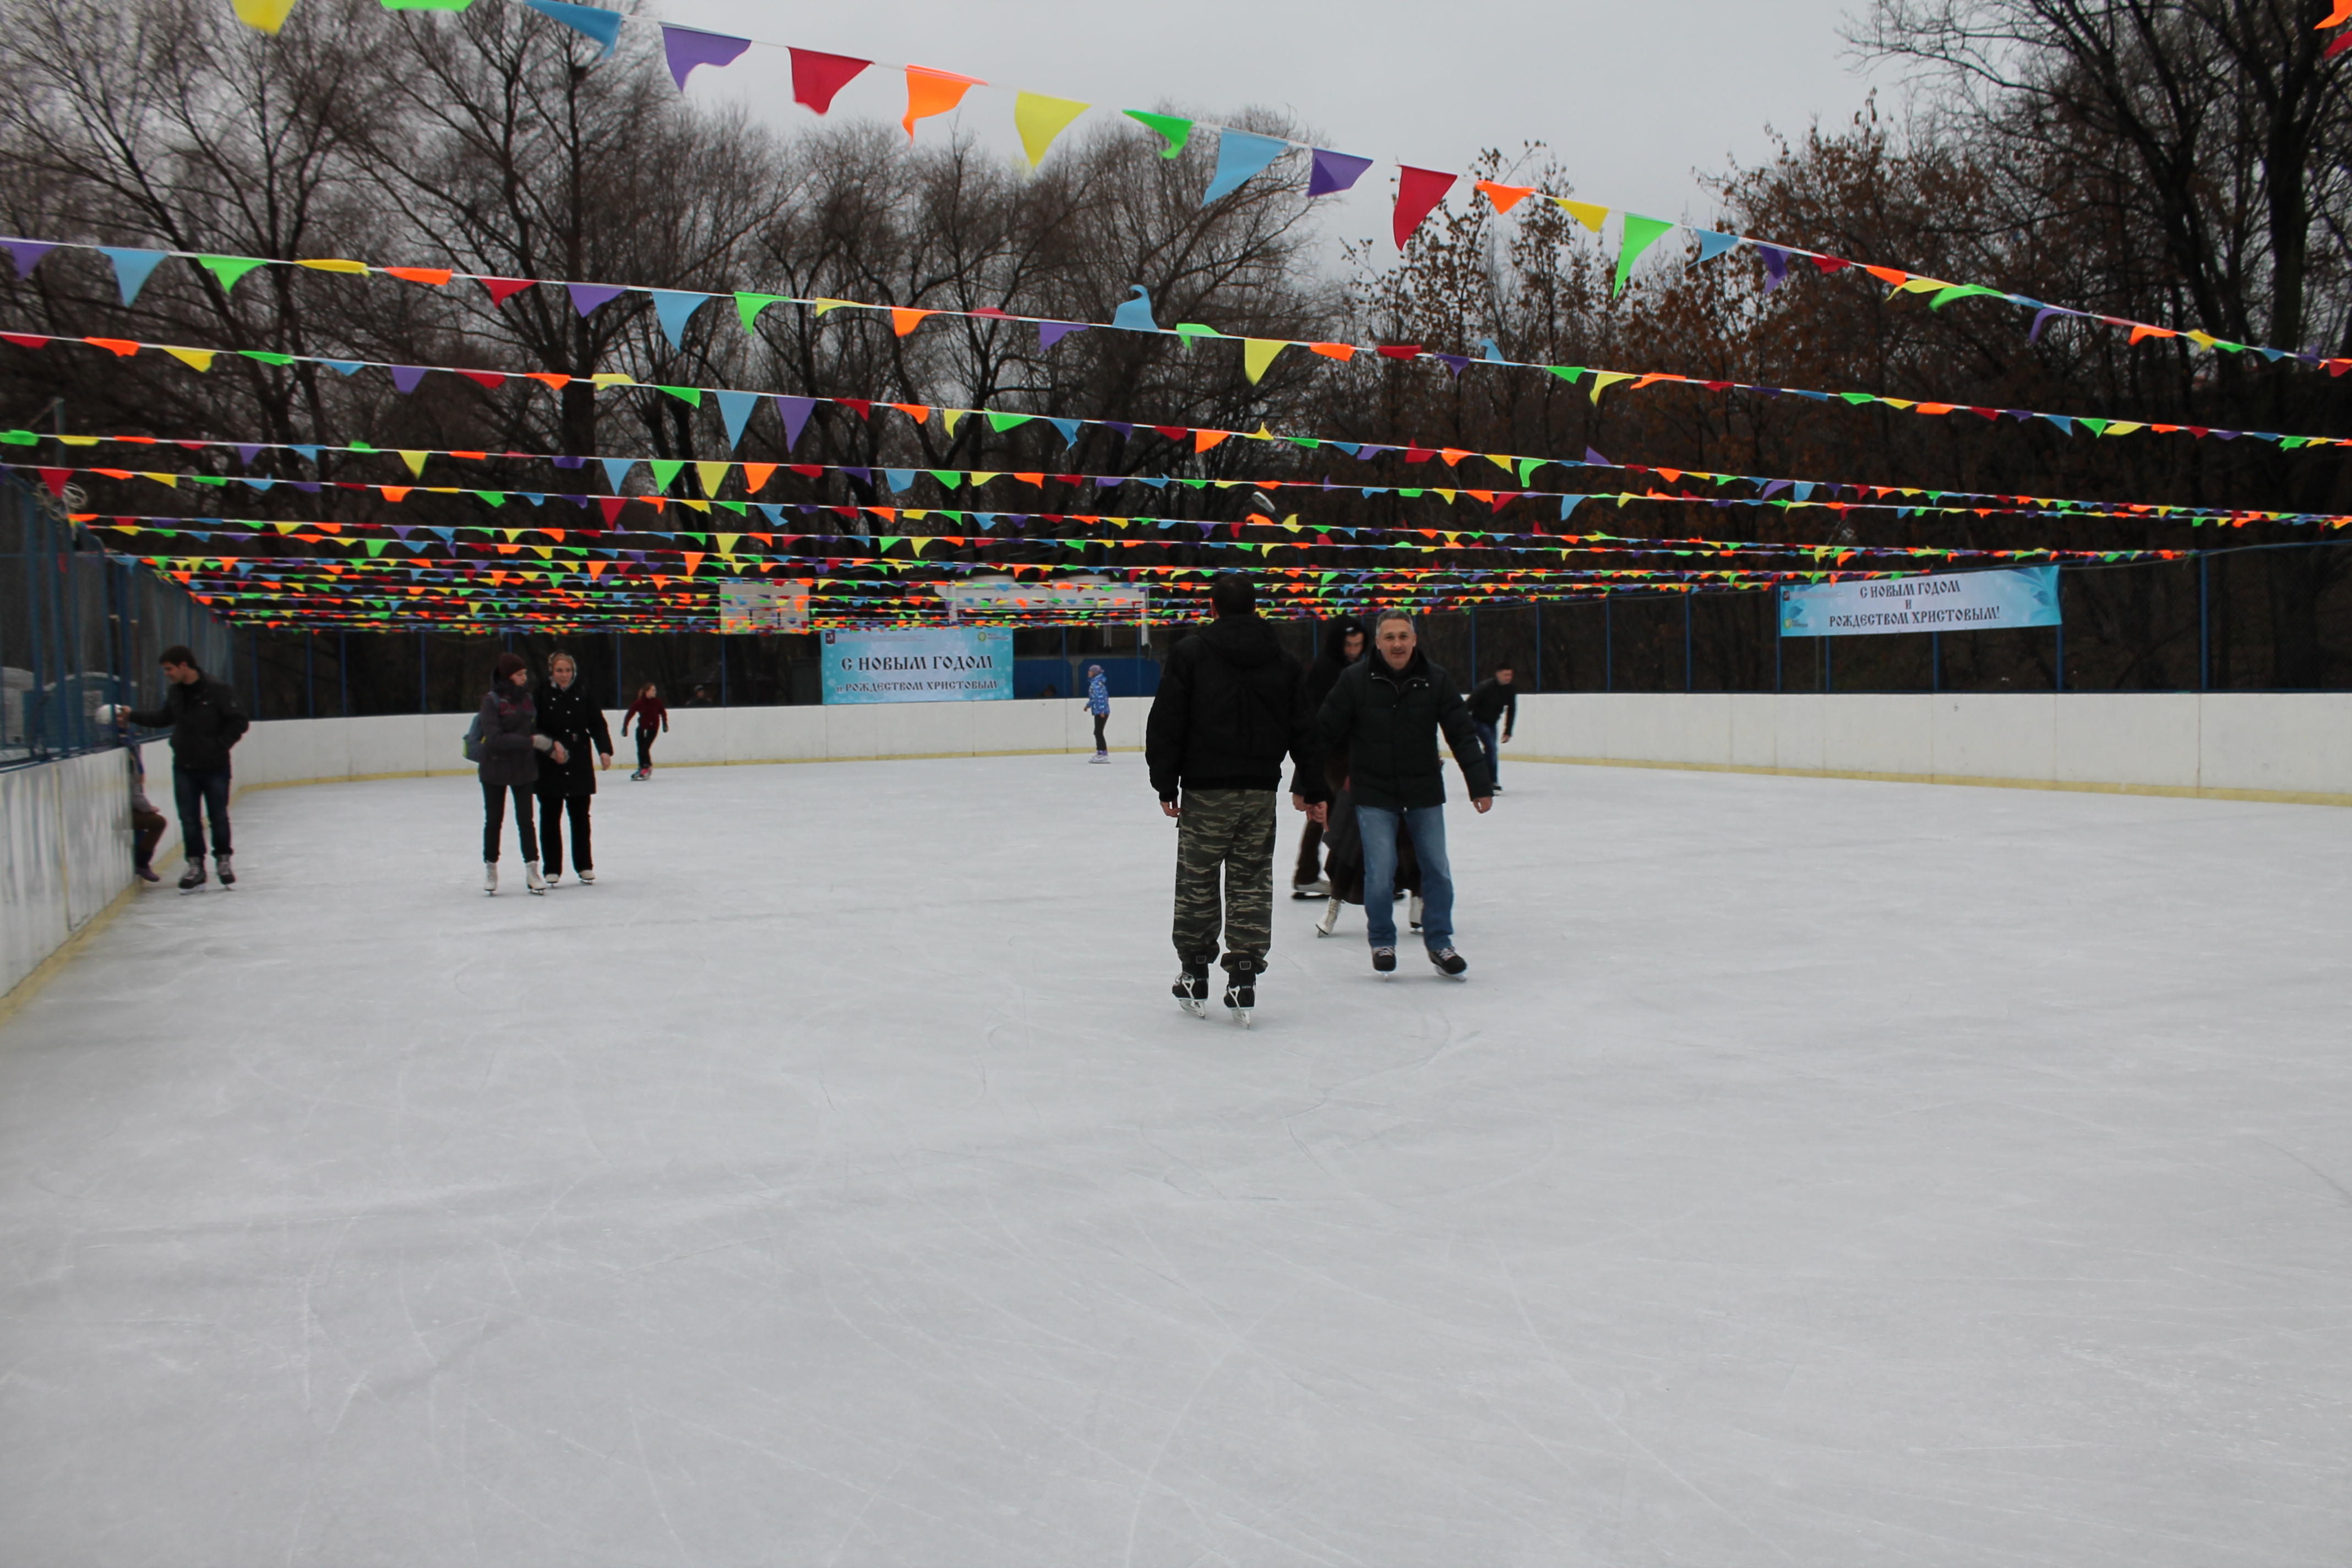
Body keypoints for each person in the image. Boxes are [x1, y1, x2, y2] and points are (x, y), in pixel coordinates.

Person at [1144, 573, 1328, 1022]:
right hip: (1259, 791)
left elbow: (1167, 720)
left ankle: (1195, 971)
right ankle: (1244, 973)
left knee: (1198, 881)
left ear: (1213, 607)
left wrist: (1166, 783)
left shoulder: (1191, 653)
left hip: (1207, 791)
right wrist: (1313, 786)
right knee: (1251, 881)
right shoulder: (1282, 660)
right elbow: (1306, 727)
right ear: (1254, 607)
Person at [1316, 610, 1491, 977]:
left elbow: (1461, 733)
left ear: (1414, 640)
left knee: (1437, 870)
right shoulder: (1354, 680)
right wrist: (1307, 785)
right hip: (1375, 793)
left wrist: (1479, 783)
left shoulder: (1436, 679)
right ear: (1377, 643)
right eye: (1390, 637)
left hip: (1423, 791)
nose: (1397, 644)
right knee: (1380, 873)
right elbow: (1323, 732)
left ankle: (1440, 943)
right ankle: (1382, 940)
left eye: (1404, 636)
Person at [99, 645, 249, 891]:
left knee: (218, 816)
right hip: (184, 766)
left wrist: (219, 746)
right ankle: (195, 866)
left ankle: (223, 860)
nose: (167, 674)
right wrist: (132, 715)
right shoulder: (176, 693)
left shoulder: (217, 689)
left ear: (183, 665)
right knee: (189, 819)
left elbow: (239, 721)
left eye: (169, 669)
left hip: (215, 766)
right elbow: (163, 718)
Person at [1291, 616, 1366, 899]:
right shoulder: (1327, 669)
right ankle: (1359, 879)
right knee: (1356, 812)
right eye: (1348, 644)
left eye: (1359, 645)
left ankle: (1307, 874)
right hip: (1334, 753)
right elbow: (1318, 716)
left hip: (1342, 751)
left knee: (1323, 812)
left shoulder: (1353, 667)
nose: (1353, 650)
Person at [478, 651, 560, 894]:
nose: (525, 677)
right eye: (520, 674)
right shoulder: (491, 700)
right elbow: (494, 738)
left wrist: (550, 745)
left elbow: (532, 729)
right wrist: (530, 742)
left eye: (525, 673)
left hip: (524, 768)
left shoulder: (526, 698)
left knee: (526, 821)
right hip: (494, 767)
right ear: (508, 676)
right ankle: (491, 868)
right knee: (494, 820)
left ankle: (532, 870)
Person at [533, 650, 613, 886]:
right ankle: (552, 868)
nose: (564, 675)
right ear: (552, 671)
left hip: (578, 759)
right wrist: (550, 746)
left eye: (568, 671)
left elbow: (597, 723)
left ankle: (584, 865)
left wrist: (604, 750)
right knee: (550, 816)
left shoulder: (583, 692)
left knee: (580, 816)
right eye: (560, 671)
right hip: (550, 761)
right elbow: (533, 726)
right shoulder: (540, 693)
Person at [1467, 664, 1518, 794]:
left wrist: (1508, 731)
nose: (1509, 678)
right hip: (1478, 721)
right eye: (1506, 675)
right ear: (1498, 674)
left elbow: (1512, 710)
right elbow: (1468, 705)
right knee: (1491, 748)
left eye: (1510, 675)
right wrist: (1461, 724)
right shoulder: (1485, 687)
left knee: (1492, 751)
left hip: (1492, 723)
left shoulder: (1510, 689)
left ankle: (1486, 779)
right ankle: (1491, 782)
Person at [621, 682, 667, 780]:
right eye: (653, 690)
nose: (655, 692)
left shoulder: (657, 702)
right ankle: (642, 767)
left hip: (653, 728)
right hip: (642, 728)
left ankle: (647, 767)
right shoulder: (640, 702)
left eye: (655, 690)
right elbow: (630, 713)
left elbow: (663, 713)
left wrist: (665, 724)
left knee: (645, 748)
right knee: (640, 749)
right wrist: (625, 726)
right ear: (647, 692)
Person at [1085, 663, 1110, 761]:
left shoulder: (1096, 684)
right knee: (1097, 732)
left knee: (1098, 732)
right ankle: (1100, 752)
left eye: (1090, 671)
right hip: (1099, 711)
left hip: (1101, 712)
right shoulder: (1096, 682)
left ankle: (1103, 753)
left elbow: (1101, 698)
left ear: (1094, 673)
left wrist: (1102, 711)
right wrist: (1088, 705)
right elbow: (1094, 698)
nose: (1089, 672)